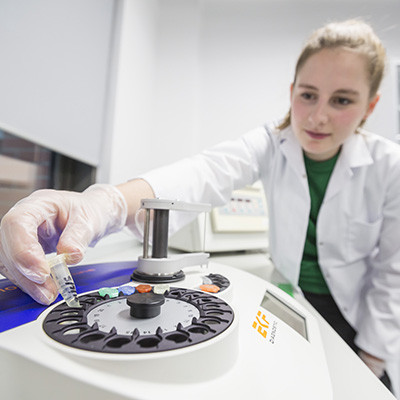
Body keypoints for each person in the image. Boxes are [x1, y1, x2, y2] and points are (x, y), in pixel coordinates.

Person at [0, 19, 399, 394]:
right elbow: (201, 173)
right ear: (293, 89)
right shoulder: (271, 144)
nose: (318, 116)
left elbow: (392, 271)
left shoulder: (390, 166)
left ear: (370, 106)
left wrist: (374, 355)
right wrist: (103, 203)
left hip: (358, 311)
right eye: (308, 94)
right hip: (298, 295)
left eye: (342, 100)